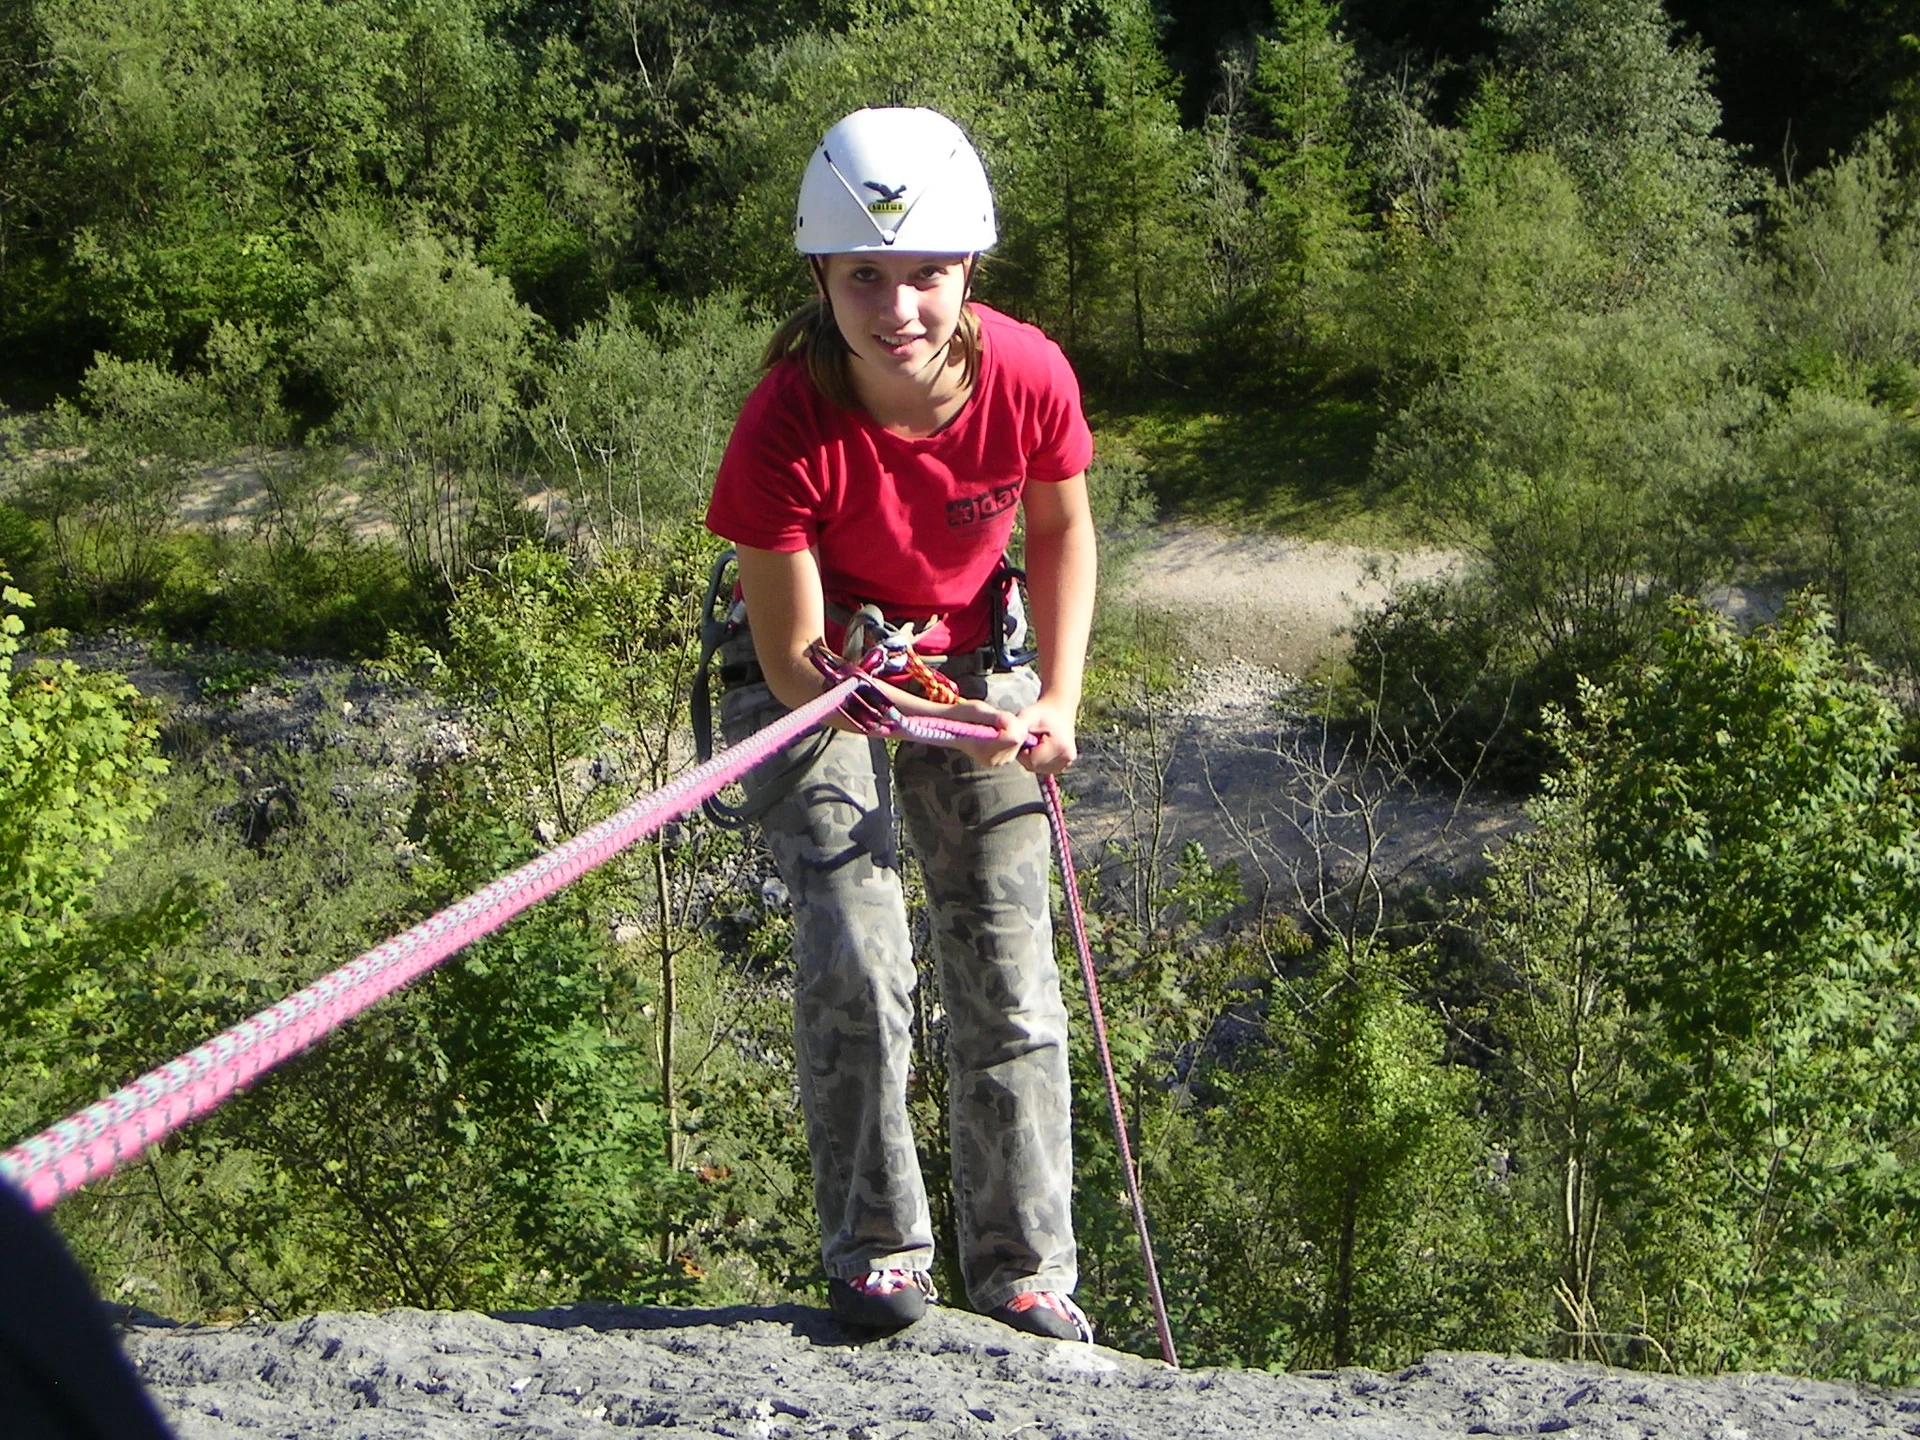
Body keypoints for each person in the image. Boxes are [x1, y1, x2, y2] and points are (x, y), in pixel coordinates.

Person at [704, 106, 1098, 1343]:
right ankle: (878, 1251)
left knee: (1006, 959)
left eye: (926, 272)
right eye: (865, 276)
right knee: (859, 954)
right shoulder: (785, 421)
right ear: (821, 277)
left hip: (969, 659)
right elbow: (794, 654)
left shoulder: (1027, 373)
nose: (899, 306)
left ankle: (1028, 1272)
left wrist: (1053, 702)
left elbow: (1063, 530)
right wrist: (920, 701)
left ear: (967, 271)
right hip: (822, 678)